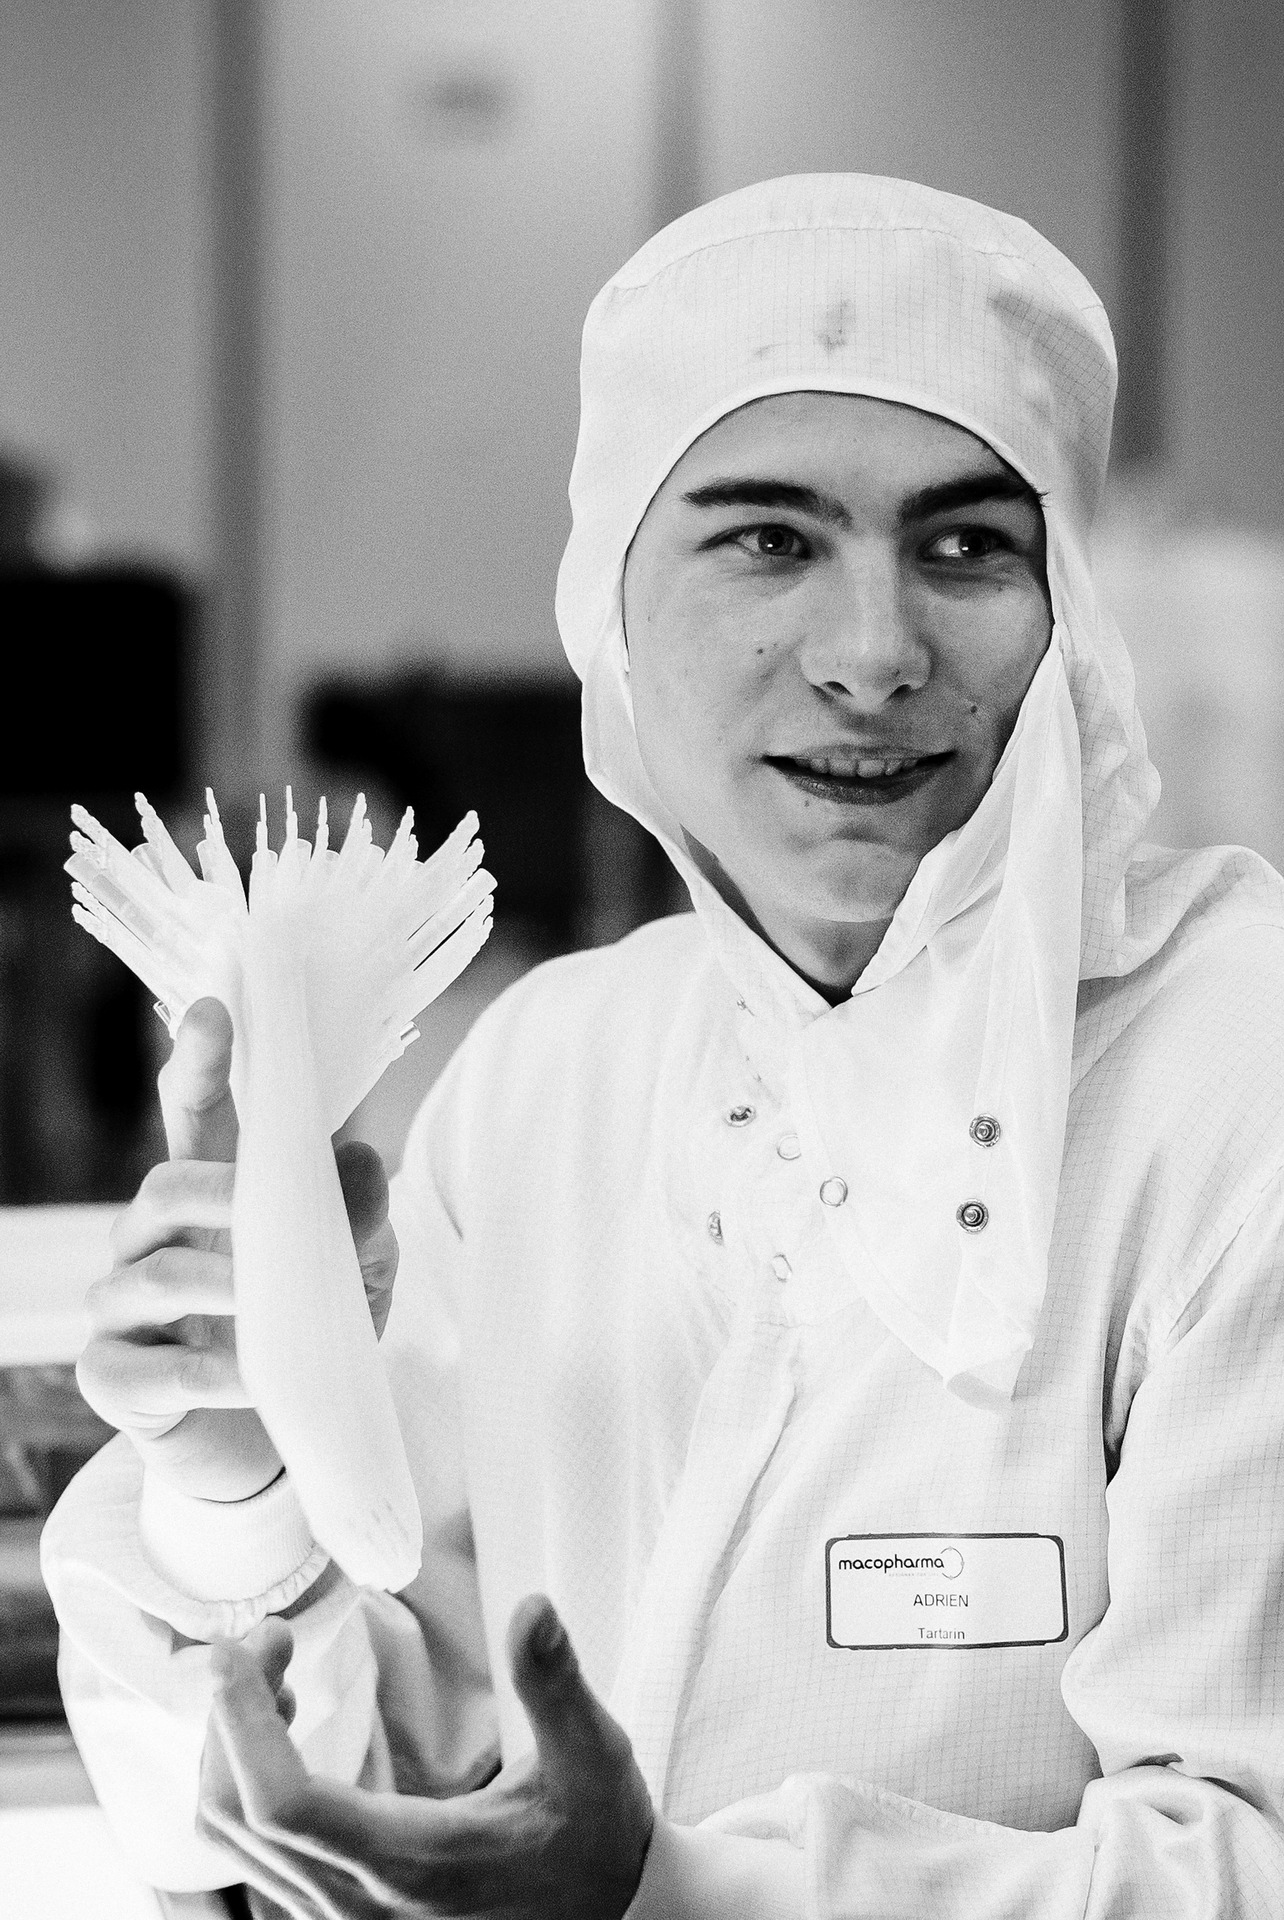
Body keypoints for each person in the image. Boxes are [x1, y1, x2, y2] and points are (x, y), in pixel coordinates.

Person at [42, 174, 1284, 1917]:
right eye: (769, 539)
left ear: (1068, 608)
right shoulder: (552, 1075)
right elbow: (327, 1820)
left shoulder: (1237, 1083)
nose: (874, 654)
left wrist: (672, 1891)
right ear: (609, 608)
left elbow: (1247, 1855)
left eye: (966, 546)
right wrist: (236, 1483)